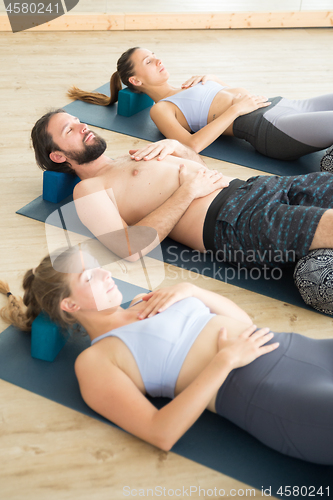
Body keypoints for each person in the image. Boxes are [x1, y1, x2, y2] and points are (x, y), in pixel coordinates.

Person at [1, 244, 333, 464]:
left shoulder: (144, 301)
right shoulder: (96, 361)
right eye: (89, 277)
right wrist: (224, 362)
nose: (106, 274)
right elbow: (160, 432)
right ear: (70, 305)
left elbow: (243, 323)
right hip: (267, 393)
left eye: (98, 267)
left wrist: (193, 289)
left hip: (298, 346)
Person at [31, 109, 333, 313]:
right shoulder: (88, 190)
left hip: (256, 188)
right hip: (233, 222)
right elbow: (128, 247)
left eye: (78, 120)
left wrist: (177, 147)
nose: (83, 125)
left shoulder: (130, 155)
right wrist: (187, 192)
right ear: (58, 155)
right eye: (69, 129)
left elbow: (200, 172)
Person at [67, 47, 333, 163]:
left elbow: (226, 96)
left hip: (284, 104)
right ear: (135, 79)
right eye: (149, 61)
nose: (158, 61)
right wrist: (235, 110)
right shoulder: (161, 109)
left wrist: (213, 78)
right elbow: (191, 146)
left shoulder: (189, 83)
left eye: (155, 56)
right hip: (269, 128)